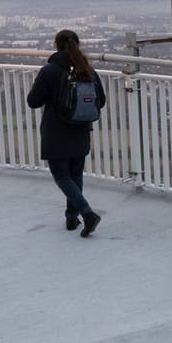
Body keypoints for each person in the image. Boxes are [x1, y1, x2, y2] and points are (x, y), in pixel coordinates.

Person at [26, 29, 107, 236]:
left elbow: (33, 101)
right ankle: (72, 218)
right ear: (77, 45)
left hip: (56, 132)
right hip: (80, 130)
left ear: (56, 45)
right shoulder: (87, 69)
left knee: (62, 175)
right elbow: (102, 101)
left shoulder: (50, 71)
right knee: (75, 174)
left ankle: (86, 212)